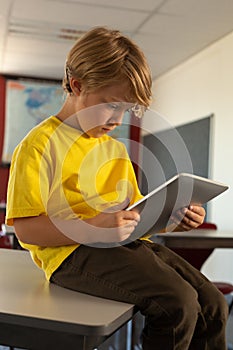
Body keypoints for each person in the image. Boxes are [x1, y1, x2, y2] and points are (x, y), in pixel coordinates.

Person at [6, 26, 228, 349]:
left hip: (125, 248)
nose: (118, 119)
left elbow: (137, 217)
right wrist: (89, 228)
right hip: (71, 255)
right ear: (77, 85)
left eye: (126, 110)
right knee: (178, 303)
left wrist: (172, 218)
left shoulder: (116, 150)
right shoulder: (39, 144)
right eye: (111, 105)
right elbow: (26, 231)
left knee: (214, 306)